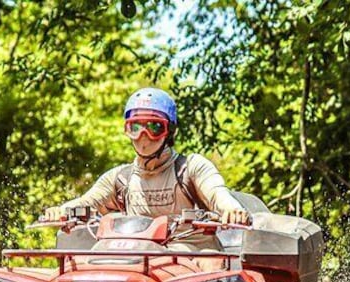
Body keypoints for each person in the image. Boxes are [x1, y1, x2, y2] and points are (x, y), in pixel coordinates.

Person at [44, 87, 249, 267]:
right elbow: (87, 202)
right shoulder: (120, 178)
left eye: (154, 127)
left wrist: (232, 210)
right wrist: (60, 212)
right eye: (135, 127)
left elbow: (217, 194)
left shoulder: (190, 167)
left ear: (169, 131)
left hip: (190, 253)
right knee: (85, 267)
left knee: (212, 264)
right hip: (140, 255)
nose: (144, 136)